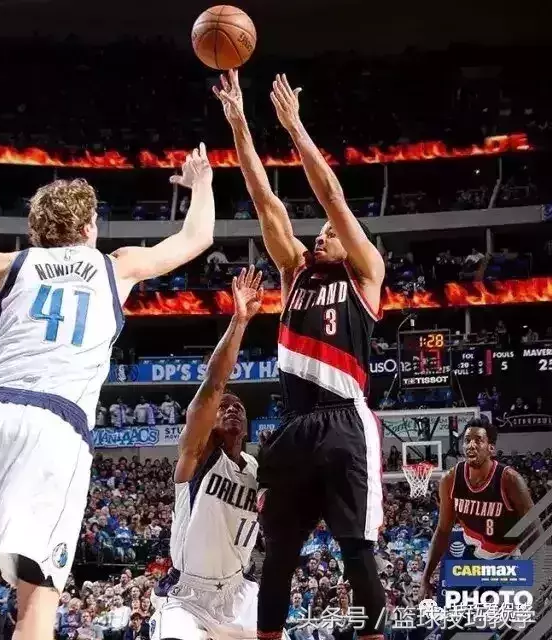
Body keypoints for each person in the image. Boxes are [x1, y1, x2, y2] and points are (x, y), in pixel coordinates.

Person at [0, 144, 215, 640]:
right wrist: (200, 182)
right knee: (37, 600)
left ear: (37, 230)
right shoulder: (116, 266)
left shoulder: (3, 263)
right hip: (53, 425)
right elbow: (197, 235)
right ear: (90, 227)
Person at [214, 70, 386, 640]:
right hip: (292, 428)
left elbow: (332, 196)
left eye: (328, 235)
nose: (319, 238)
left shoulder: (365, 273)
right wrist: (239, 121)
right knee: (278, 555)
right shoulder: (294, 273)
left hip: (344, 420)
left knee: (357, 553)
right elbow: (265, 198)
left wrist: (294, 126)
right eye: (315, 235)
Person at [150, 267, 266, 640]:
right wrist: (240, 321)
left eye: (239, 408)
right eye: (224, 406)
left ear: (247, 428)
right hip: (188, 596)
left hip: (240, 593)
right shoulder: (198, 455)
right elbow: (215, 383)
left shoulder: (257, 469)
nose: (232, 408)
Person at [420, 419, 535, 597]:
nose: (471, 445)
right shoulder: (450, 480)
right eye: (467, 440)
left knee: (502, 621)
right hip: (471, 556)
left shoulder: (510, 480)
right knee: (456, 619)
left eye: (478, 440)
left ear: (491, 448)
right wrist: (425, 578)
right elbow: (443, 531)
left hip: (508, 560)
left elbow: (534, 532)